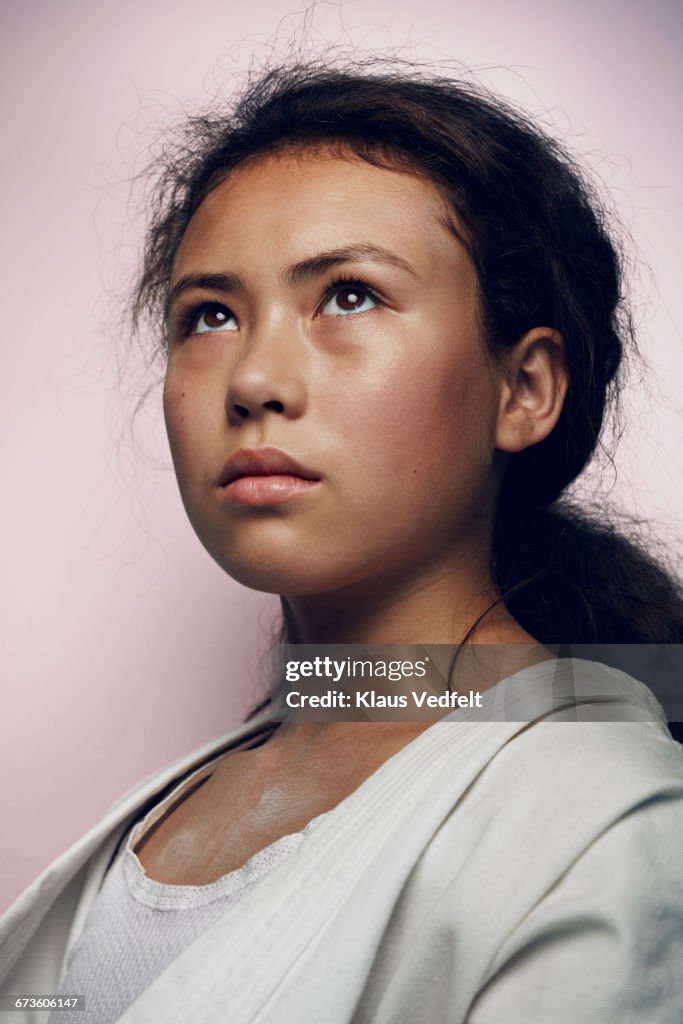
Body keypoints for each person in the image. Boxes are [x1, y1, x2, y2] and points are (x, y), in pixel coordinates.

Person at [2, 55, 683, 1023]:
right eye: (209, 315)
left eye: (348, 294)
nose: (253, 378)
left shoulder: (611, 826)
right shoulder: (186, 800)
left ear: (524, 388)